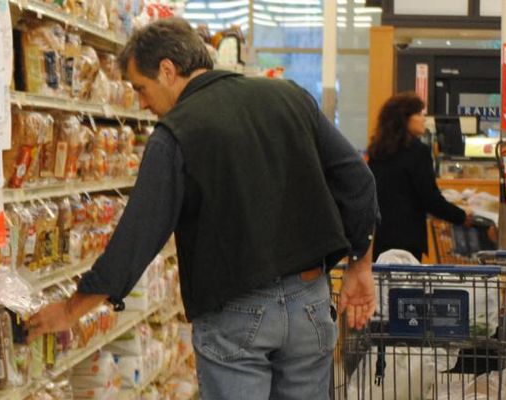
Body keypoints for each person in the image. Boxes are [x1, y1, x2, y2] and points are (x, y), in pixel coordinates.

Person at [26, 18, 380, 400]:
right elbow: (358, 181)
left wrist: (70, 310)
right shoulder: (290, 97)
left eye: (141, 89)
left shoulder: (176, 132)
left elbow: (138, 236)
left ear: (167, 69)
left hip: (235, 314)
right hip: (309, 301)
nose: (143, 104)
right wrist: (361, 263)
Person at [367, 92, 471, 260]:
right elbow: (430, 198)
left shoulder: (377, 151)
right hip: (407, 239)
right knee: (406, 284)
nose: (424, 119)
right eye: (420, 114)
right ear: (404, 118)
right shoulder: (418, 152)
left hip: (379, 237)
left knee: (382, 284)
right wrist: (461, 216)